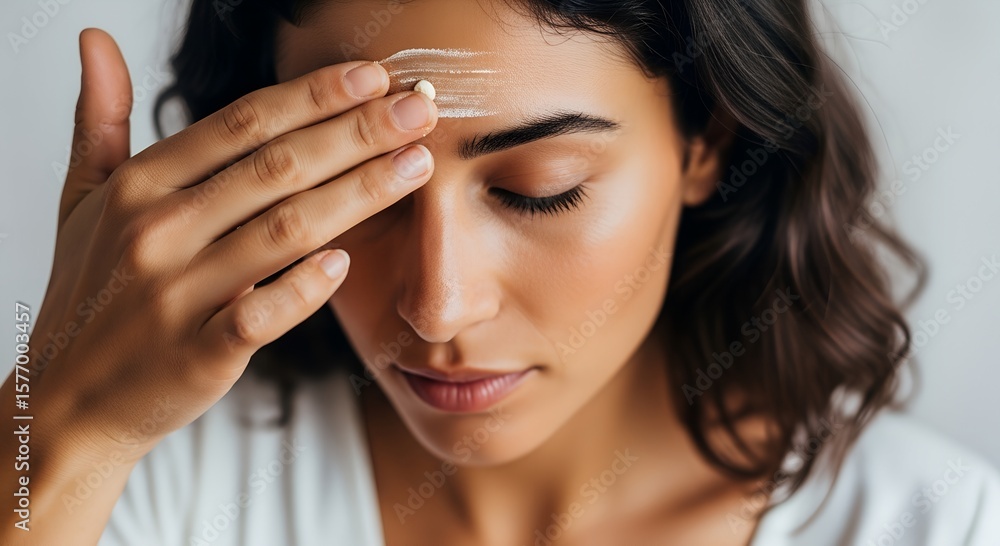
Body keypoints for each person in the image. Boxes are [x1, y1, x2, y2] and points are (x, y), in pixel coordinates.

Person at [2, 0, 998, 544]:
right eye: (362, 190)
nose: (436, 306)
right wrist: (52, 435)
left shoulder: (933, 525)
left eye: (539, 190)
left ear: (706, 141)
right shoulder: (157, 481)